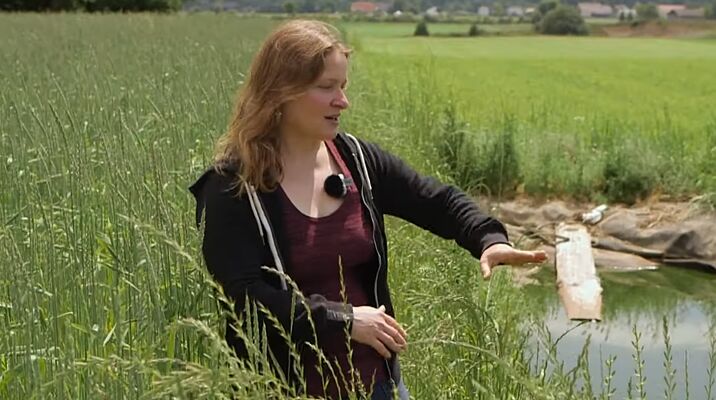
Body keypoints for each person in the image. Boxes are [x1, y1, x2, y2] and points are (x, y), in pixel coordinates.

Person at [189, 19, 547, 400]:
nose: (342, 101)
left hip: (379, 385)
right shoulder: (232, 187)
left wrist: (487, 238)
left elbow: (434, 199)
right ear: (280, 92)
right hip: (284, 390)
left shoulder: (356, 160)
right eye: (326, 88)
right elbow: (246, 298)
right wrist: (344, 319)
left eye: (342, 87)